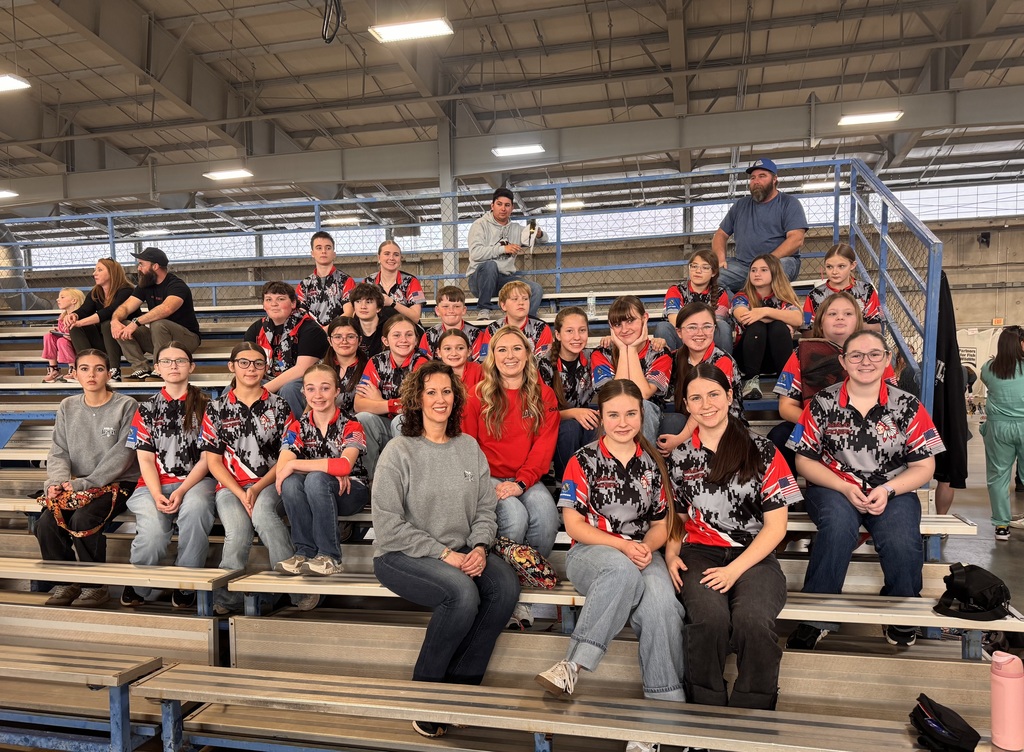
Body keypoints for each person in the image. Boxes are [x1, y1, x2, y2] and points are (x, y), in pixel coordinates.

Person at [372, 361, 519, 739]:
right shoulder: (398, 451)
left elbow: (486, 507)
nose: (440, 399)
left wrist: (482, 546)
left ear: (456, 399)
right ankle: (424, 697)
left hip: (461, 550)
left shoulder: (468, 447)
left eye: (447, 392)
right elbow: (388, 522)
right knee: (460, 592)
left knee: (503, 586)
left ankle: (458, 694)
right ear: (417, 399)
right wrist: (444, 554)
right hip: (401, 554)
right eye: (432, 392)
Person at [536, 380, 686, 752]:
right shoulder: (582, 460)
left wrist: (643, 548)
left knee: (662, 604)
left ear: (641, 415)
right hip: (593, 553)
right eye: (613, 415)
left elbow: (660, 525)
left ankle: (661, 720)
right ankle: (574, 666)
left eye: (630, 414)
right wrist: (623, 546)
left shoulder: (653, 464)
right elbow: (573, 526)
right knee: (619, 570)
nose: (622, 422)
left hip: (640, 552)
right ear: (601, 417)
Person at [786, 331, 945, 649]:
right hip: (833, 486)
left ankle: (901, 612)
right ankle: (816, 614)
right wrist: (844, 487)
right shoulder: (823, 402)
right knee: (838, 526)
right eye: (856, 355)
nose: (865, 361)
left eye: (874, 354)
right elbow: (804, 460)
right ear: (843, 362)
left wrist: (888, 489)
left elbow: (925, 467)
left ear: (887, 360)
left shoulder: (907, 405)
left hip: (892, 488)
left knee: (901, 537)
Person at [666, 362, 801, 710]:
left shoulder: (763, 450)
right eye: (695, 397)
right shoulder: (679, 458)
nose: (706, 403)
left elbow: (776, 527)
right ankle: (705, 710)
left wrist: (733, 570)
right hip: (700, 554)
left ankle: (752, 712)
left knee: (752, 621)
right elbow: (678, 519)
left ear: (729, 396)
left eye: (713, 394)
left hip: (754, 555)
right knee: (709, 621)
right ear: (686, 404)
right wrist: (670, 553)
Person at [462, 325, 559, 630]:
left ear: (528, 354)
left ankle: (524, 596)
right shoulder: (477, 395)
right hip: (487, 475)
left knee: (546, 513)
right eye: (501, 349)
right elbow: (468, 444)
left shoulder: (543, 394)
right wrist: (488, 483)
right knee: (515, 517)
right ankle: (498, 592)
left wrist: (521, 482)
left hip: (524, 477)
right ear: (492, 357)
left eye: (517, 348)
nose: (510, 355)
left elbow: (544, 446)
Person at [201, 342, 305, 614]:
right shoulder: (216, 408)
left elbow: (287, 454)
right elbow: (213, 461)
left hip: (270, 482)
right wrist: (240, 492)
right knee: (236, 531)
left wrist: (257, 488)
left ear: (266, 368)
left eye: (258, 363)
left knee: (264, 517)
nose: (251, 368)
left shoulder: (279, 405)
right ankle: (226, 597)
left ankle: (291, 588)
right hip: (231, 486)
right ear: (232, 366)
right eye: (244, 363)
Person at [37, 349, 140, 608]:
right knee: (46, 524)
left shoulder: (128, 405)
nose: (91, 374)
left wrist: (85, 483)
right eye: (84, 368)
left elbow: (125, 454)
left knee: (84, 519)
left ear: (109, 373)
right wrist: (57, 483)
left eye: (99, 368)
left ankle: (95, 585)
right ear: (74, 373)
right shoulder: (67, 406)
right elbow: (58, 450)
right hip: (75, 484)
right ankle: (66, 582)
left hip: (118, 483)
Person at [121, 343, 216, 609]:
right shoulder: (146, 409)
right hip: (152, 484)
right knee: (153, 529)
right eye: (166, 361)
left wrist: (182, 490)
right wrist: (156, 494)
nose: (173, 366)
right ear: (157, 368)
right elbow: (145, 460)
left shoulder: (209, 406)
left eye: (180, 360)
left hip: (197, 481)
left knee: (196, 509)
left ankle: (187, 582)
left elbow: (208, 457)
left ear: (191, 367)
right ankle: (140, 582)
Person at [769, 292, 886, 475]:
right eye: (832, 314)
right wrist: (821, 426)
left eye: (848, 314)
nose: (840, 317)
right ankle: (786, 501)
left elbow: (890, 402)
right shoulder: (801, 353)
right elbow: (786, 406)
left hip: (864, 427)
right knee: (780, 435)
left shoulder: (876, 354)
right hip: (812, 425)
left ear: (858, 322)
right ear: (820, 322)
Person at [274, 364, 368, 579]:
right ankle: (304, 552)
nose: (318, 395)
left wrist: (299, 465)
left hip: (351, 491)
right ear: (303, 392)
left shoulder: (352, 424)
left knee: (315, 479)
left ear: (337, 391)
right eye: (311, 389)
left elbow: (345, 466)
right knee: (291, 482)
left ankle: (330, 556)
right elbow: (283, 467)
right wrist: (328, 467)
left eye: (325, 388)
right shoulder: (297, 427)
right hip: (315, 490)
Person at [657, 302, 742, 452]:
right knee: (671, 422)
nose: (700, 333)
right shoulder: (675, 358)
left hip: (722, 425)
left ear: (714, 329)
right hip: (692, 421)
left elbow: (707, 406)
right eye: (692, 327)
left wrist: (679, 439)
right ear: (679, 332)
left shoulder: (722, 360)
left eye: (707, 326)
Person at [713, 158, 808, 293]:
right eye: (752, 178)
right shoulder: (740, 205)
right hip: (744, 265)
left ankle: (771, 311)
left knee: (781, 268)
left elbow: (796, 239)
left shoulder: (789, 203)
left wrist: (767, 262)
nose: (756, 181)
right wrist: (720, 259)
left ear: (774, 179)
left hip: (777, 262)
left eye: (762, 176)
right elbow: (720, 235)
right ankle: (737, 309)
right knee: (712, 277)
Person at [353, 314, 428, 478]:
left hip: (418, 427)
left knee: (401, 420)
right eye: (396, 335)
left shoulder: (423, 364)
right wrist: (393, 405)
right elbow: (359, 404)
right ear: (386, 341)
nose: (404, 339)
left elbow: (417, 406)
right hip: (386, 422)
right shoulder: (376, 362)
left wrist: (379, 402)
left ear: (416, 340)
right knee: (363, 418)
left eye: (409, 335)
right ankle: (372, 479)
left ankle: (406, 479)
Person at [591, 296, 672, 444]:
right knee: (613, 412)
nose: (624, 329)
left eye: (630, 321)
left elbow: (642, 395)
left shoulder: (659, 352)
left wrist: (632, 350)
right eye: (617, 324)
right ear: (610, 326)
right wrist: (623, 350)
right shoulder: (601, 353)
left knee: (643, 406)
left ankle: (645, 463)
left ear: (644, 318)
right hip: (613, 413)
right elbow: (616, 399)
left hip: (650, 414)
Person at [111, 247, 202, 380]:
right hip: (159, 339)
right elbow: (126, 307)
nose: (138, 268)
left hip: (186, 339)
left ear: (155, 266)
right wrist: (115, 321)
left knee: (158, 323)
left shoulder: (176, 285)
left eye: (142, 264)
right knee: (121, 325)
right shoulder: (145, 285)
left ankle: (159, 369)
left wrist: (136, 322)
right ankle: (141, 369)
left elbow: (166, 309)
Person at [243, 281, 329, 419]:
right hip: (267, 378)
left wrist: (262, 391)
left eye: (281, 299)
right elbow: (246, 362)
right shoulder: (256, 329)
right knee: (234, 388)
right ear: (264, 305)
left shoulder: (310, 329)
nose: (274, 304)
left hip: (304, 381)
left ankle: (297, 433)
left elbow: (301, 370)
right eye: (269, 300)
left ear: (293, 303)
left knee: (289, 389)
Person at [731, 254, 803, 400]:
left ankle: (785, 383)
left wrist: (765, 311)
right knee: (757, 326)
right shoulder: (742, 296)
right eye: (753, 270)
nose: (757, 274)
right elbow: (744, 317)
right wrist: (780, 315)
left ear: (774, 272)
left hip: (774, 358)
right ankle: (751, 382)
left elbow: (798, 319)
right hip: (747, 358)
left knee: (778, 327)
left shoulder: (783, 298)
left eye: (763, 270)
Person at [539, 307, 598, 479]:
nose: (577, 337)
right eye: (569, 331)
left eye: (582, 330)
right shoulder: (544, 364)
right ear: (557, 335)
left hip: (583, 421)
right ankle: (565, 483)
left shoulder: (593, 357)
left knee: (593, 423)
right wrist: (574, 413)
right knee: (570, 427)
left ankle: (591, 481)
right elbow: (542, 414)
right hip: (553, 425)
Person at [467, 187, 545, 317]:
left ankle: (526, 324)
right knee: (490, 265)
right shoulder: (480, 225)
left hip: (503, 281)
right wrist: (503, 249)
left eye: (507, 205)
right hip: (479, 280)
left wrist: (539, 233)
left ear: (512, 208)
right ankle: (484, 310)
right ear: (492, 206)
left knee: (536, 289)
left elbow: (541, 239)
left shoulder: (516, 229)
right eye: (499, 204)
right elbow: (475, 253)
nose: (503, 208)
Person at [980, 325, 1024, 540]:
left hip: (998, 427)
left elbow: (987, 381)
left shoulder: (989, 368)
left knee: (998, 476)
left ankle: (1001, 526)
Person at [65, 258, 135, 382]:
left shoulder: (127, 290)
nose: (94, 273)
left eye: (99, 270)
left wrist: (82, 321)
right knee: (75, 326)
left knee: (107, 323)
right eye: (94, 270)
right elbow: (84, 310)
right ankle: (84, 368)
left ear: (112, 272)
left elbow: (109, 312)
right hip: (104, 341)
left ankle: (114, 371)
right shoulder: (96, 292)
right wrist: (74, 315)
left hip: (125, 340)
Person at [653, 249, 733, 355]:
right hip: (682, 337)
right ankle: (668, 368)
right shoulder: (676, 290)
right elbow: (674, 319)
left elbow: (715, 324)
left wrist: (699, 334)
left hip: (707, 339)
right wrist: (693, 333)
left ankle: (722, 367)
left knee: (722, 326)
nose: (698, 271)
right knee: (663, 327)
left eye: (704, 267)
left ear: (713, 272)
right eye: (694, 266)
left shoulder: (721, 293)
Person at [803, 243, 883, 332]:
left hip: (859, 341)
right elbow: (807, 329)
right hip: (826, 343)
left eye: (841, 266)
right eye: (829, 267)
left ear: (852, 265)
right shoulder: (813, 295)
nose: (834, 272)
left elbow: (877, 327)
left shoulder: (866, 290)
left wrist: (848, 327)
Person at [473, 280, 553, 361]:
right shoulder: (492, 330)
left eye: (525, 299)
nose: (521, 303)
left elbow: (544, 365)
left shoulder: (541, 328)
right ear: (503, 305)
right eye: (515, 299)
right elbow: (485, 361)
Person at [295, 231, 355, 326]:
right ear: (312, 253)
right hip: (312, 333)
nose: (323, 251)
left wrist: (328, 329)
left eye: (328, 248)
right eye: (319, 248)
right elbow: (301, 314)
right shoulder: (304, 285)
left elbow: (349, 313)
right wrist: (317, 331)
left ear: (334, 254)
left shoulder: (346, 281)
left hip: (338, 334)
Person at [363, 240, 426, 325]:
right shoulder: (368, 282)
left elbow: (415, 317)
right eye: (387, 254)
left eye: (396, 255)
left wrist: (392, 303)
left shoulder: (411, 281)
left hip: (405, 330)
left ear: (400, 259)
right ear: (379, 258)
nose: (391, 258)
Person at [418, 285, 482, 359]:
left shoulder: (476, 334)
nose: (451, 310)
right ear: (437, 311)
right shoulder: (429, 335)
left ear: (464, 310)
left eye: (456, 306)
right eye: (445, 306)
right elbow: (422, 364)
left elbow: (480, 365)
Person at [323, 315, 367, 416]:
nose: (344, 341)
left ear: (359, 340)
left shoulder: (371, 367)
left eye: (350, 337)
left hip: (357, 425)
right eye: (338, 337)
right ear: (330, 341)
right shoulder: (319, 367)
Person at [42, 287, 85, 383]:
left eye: (62, 297)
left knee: (62, 341)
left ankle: (73, 369)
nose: (58, 299)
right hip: (66, 344)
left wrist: (71, 336)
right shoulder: (62, 317)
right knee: (48, 336)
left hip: (79, 345)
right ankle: (54, 369)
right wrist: (58, 331)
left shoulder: (82, 315)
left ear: (74, 300)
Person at [349, 283, 388, 359]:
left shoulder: (389, 328)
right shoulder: (349, 328)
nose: (363, 307)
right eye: (358, 301)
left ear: (378, 308)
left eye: (368, 302)